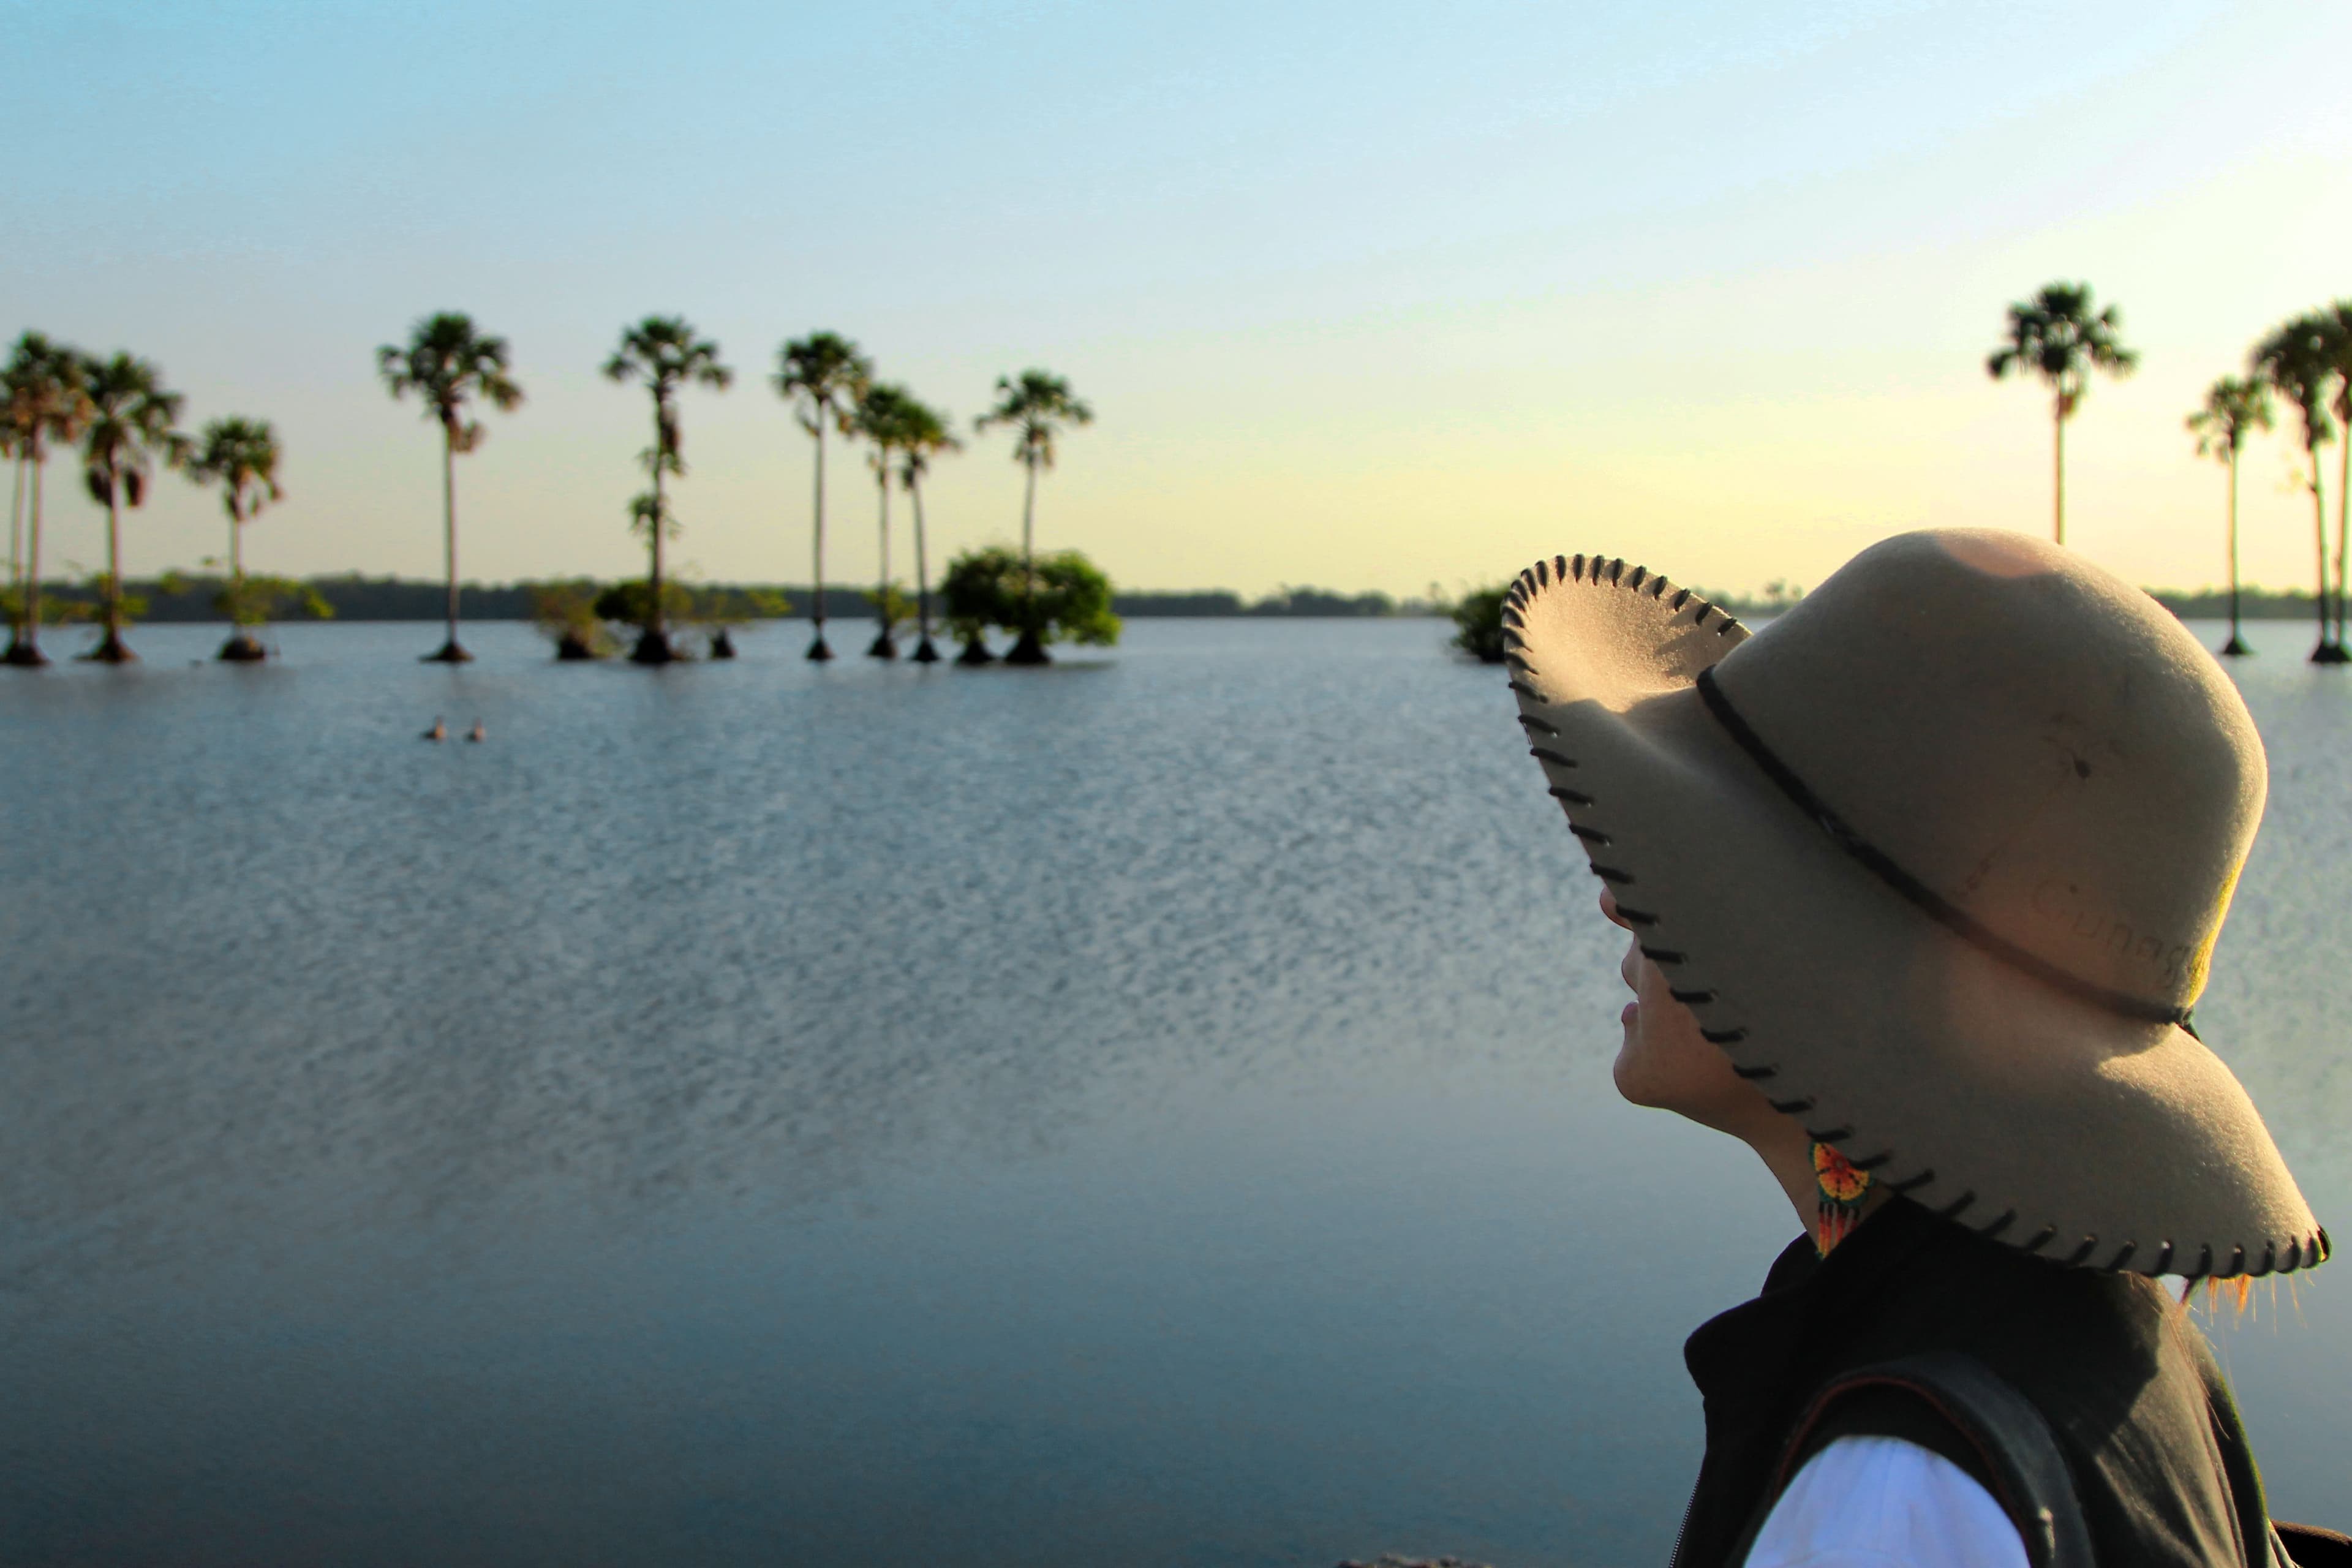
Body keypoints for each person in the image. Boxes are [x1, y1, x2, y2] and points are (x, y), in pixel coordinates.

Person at [1498, 529, 2342, 1567]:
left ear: (1827, 975)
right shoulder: (2107, 1342)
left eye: (1691, 865)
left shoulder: (1903, 1491)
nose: (1616, 896)